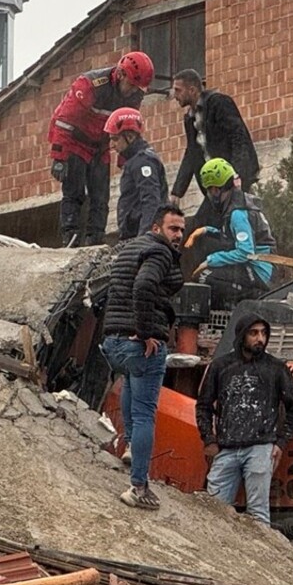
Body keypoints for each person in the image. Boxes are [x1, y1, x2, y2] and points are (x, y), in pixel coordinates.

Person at [100, 204, 186, 510]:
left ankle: (131, 448)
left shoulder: (130, 249)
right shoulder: (160, 251)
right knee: (145, 412)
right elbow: (145, 284)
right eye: (173, 228)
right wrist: (147, 330)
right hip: (140, 344)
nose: (178, 235)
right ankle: (138, 487)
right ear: (156, 228)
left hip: (114, 343)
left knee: (130, 387)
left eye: (181, 230)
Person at [195, 312, 293, 525]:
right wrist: (208, 439)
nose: (260, 338)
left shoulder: (275, 368)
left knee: (259, 516)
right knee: (213, 513)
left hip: (261, 448)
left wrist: (281, 442)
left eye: (263, 333)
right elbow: (204, 405)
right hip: (226, 449)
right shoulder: (220, 366)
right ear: (242, 335)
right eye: (254, 333)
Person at [48, 51, 155, 247]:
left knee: (100, 196)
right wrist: (59, 157)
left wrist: (127, 161)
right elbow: (64, 122)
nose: (133, 91)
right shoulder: (90, 85)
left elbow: (128, 128)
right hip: (75, 143)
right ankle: (70, 237)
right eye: (131, 85)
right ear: (121, 75)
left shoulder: (135, 93)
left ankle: (95, 239)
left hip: (101, 147)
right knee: (74, 191)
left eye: (137, 87)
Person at [185, 158, 276, 308]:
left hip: (259, 271)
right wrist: (206, 230)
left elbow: (245, 252)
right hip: (259, 267)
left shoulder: (237, 213)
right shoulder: (239, 202)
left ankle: (242, 305)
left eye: (209, 190)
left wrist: (211, 260)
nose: (210, 194)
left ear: (216, 189)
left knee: (205, 278)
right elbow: (232, 235)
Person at [169, 69, 260, 204]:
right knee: (205, 223)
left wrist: (236, 176)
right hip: (214, 185)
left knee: (235, 218)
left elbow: (239, 137)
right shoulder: (189, 118)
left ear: (192, 90)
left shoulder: (218, 103)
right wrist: (177, 191)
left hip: (232, 181)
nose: (174, 96)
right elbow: (192, 154)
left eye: (178, 90)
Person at [106, 106, 167, 241]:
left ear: (130, 136)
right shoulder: (134, 161)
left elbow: (151, 200)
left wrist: (145, 237)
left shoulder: (143, 161)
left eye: (115, 139)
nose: (111, 145)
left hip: (141, 237)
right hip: (134, 235)